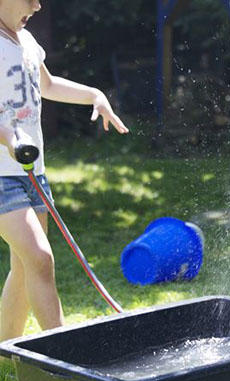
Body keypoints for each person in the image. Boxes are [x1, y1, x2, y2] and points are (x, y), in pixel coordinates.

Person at [0, 0, 128, 341]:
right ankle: (65, 358)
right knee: (40, 259)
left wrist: (95, 95)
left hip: (32, 173)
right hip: (1, 178)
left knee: (24, 267)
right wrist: (9, 137)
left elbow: (49, 85)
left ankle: (4, 354)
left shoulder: (26, 41)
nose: (38, 6)